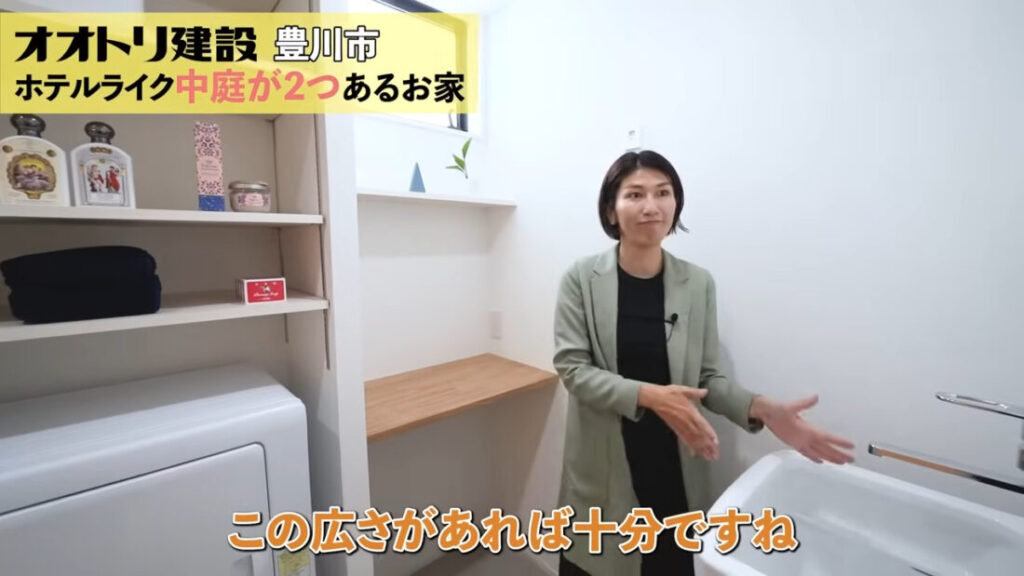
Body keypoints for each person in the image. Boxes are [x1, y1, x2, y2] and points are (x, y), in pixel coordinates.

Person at [552, 150, 855, 576]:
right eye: (635, 194)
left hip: (676, 461)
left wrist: (762, 409)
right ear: (610, 210)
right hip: (606, 462)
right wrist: (652, 396)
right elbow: (573, 369)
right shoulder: (581, 279)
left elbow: (708, 377)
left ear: (676, 203)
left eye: (663, 193)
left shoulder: (697, 283)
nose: (651, 206)